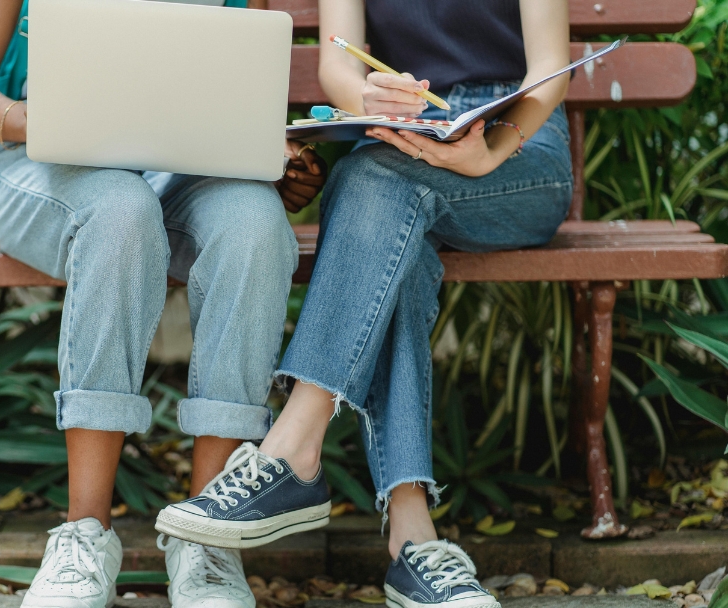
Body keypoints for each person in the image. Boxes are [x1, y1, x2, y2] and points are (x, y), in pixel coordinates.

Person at [159, 1, 573, 607]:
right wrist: (372, 97)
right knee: (386, 215)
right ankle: (413, 543)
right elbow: (339, 65)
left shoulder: (508, 135)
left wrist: (491, 146)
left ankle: (293, 447)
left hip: (516, 142)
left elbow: (550, 72)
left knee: (371, 183)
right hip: (405, 136)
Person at [0, 1, 325, 608]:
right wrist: (40, 122)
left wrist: (274, 159)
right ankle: (83, 535)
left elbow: (241, 91)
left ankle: (208, 542)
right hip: (43, 160)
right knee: (121, 212)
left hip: (186, 168)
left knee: (255, 223)